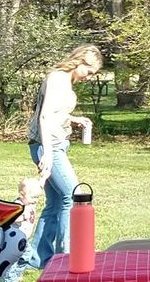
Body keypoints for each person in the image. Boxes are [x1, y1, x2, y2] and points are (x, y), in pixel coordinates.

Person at [26, 44, 101, 264]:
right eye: (89, 71)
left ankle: (38, 257)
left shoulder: (64, 80)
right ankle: (69, 255)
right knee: (73, 196)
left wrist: (73, 119)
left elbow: (56, 114)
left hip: (54, 144)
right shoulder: (58, 78)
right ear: (80, 61)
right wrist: (47, 154)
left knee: (56, 203)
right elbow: (45, 118)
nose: (89, 77)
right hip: (48, 146)